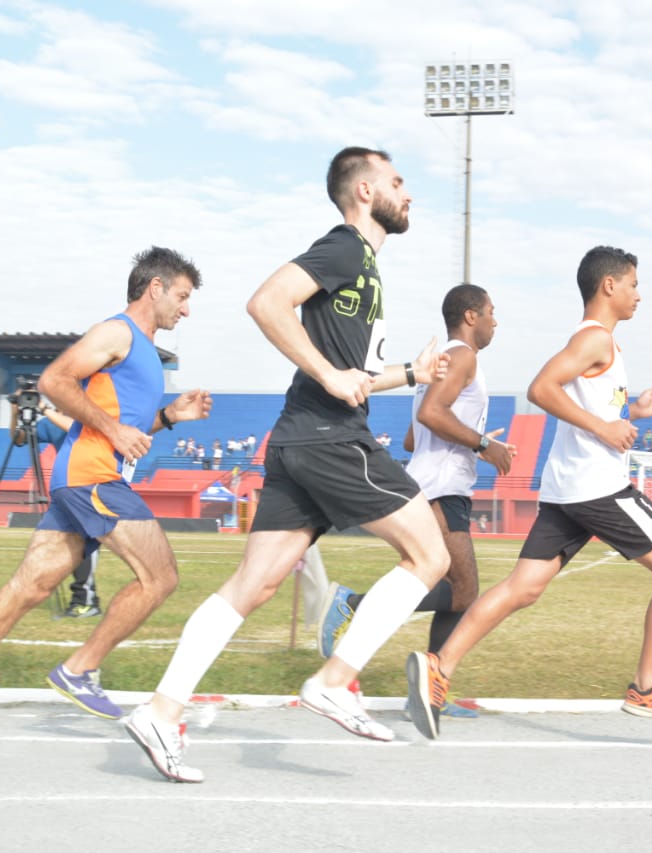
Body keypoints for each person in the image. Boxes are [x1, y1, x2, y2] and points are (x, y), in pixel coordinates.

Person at [124, 146, 450, 783]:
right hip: (330, 439)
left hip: (301, 437)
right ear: (362, 191)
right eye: (396, 181)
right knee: (430, 555)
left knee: (255, 584)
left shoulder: (367, 269)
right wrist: (327, 371)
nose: (408, 193)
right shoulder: (346, 248)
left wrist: (412, 373)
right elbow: (267, 302)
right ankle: (334, 679)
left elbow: (352, 377)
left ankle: (161, 711)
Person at [404, 245, 652, 741]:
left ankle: (439, 669)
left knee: (520, 588)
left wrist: (634, 414)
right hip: (599, 487)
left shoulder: (599, 344)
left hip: (568, 489)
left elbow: (591, 411)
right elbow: (541, 388)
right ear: (608, 286)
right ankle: (647, 686)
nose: (639, 294)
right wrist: (607, 429)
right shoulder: (594, 340)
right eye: (633, 284)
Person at [0, 246, 214, 738]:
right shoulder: (117, 332)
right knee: (160, 578)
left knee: (30, 587)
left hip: (83, 478)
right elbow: (55, 380)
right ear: (155, 287)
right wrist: (115, 432)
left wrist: (169, 417)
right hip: (92, 478)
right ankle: (79, 669)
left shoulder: (143, 349)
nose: (186, 308)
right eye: (182, 296)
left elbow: (125, 426)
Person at [316, 283, 515, 719]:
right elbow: (430, 417)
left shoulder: (442, 362)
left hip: (438, 483)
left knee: (455, 591)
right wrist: (483, 444)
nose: (495, 320)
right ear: (469, 316)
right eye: (490, 312)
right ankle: (352, 604)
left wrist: (470, 439)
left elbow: (413, 434)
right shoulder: (463, 357)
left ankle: (430, 692)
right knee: (464, 590)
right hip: (441, 488)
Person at [10, 397, 102, 619]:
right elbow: (19, 439)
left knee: (84, 544)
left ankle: (86, 602)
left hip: (92, 486)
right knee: (68, 546)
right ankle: (84, 600)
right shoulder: (49, 422)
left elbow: (74, 429)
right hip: (67, 488)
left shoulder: (87, 415)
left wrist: (45, 409)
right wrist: (14, 412)